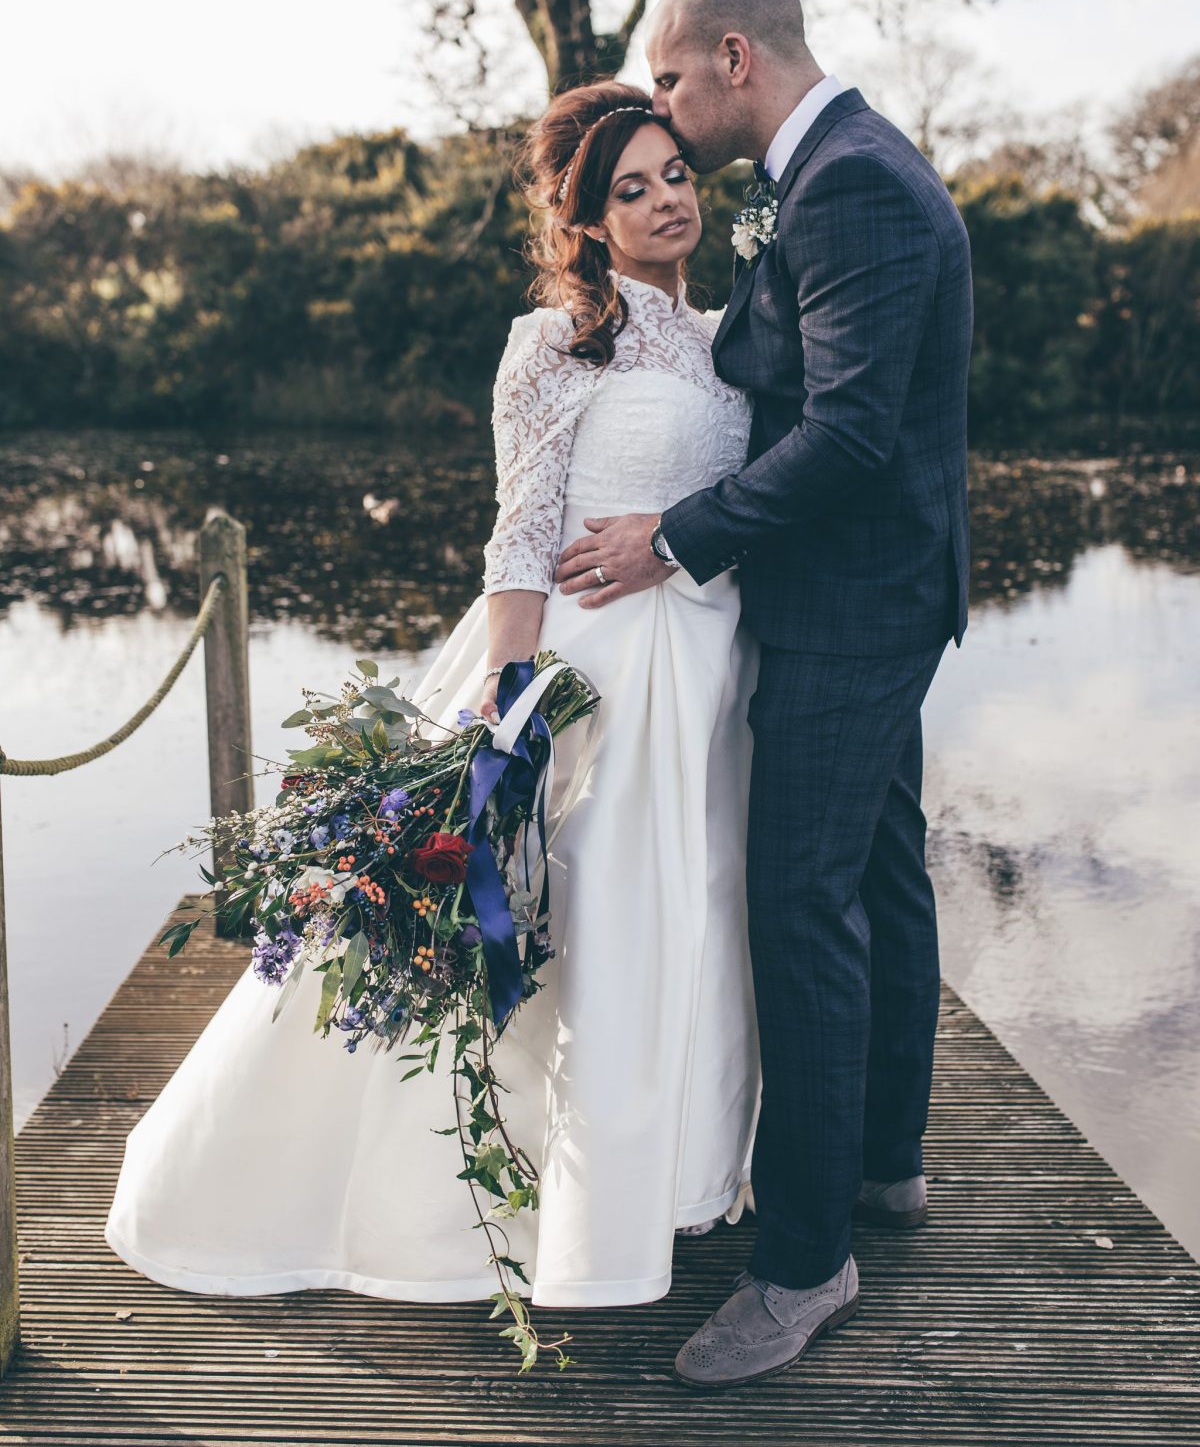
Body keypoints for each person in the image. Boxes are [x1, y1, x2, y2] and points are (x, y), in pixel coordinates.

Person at [103, 80, 762, 1311]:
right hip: (592, 679)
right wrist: (505, 709)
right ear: (588, 219)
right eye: (633, 189)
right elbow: (521, 534)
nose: (668, 200)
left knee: (695, 917)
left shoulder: (731, 333)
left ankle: (674, 1180)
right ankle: (520, 1221)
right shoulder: (554, 340)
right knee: (583, 939)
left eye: (677, 174)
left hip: (712, 678)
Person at [556, 0, 973, 1387]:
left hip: (850, 603)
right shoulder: (847, 170)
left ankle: (805, 1257)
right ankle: (885, 1159)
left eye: (670, 79)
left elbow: (849, 434)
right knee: (881, 865)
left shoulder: (849, 183)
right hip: (881, 591)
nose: (662, 105)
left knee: (802, 900)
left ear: (732, 57)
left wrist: (672, 537)